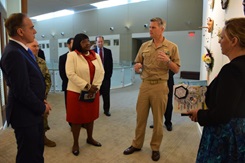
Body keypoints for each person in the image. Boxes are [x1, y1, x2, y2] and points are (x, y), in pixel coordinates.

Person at [188, 17, 245, 162]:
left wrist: (199, 114)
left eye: (222, 37)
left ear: (234, 41)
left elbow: (223, 113)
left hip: (226, 136)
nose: (219, 41)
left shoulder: (232, 70)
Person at [123, 17, 180, 161]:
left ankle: (155, 147)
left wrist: (168, 62)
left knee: (158, 120)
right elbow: (137, 63)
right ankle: (136, 144)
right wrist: (137, 67)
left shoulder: (171, 47)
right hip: (145, 85)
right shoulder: (144, 46)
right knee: (140, 118)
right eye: (149, 27)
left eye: (153, 27)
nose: (150, 30)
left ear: (162, 29)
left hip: (160, 86)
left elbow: (177, 69)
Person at [0, 13, 51, 163]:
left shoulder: (22, 50)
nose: (34, 31)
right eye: (32, 28)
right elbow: (22, 90)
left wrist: (42, 100)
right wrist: (42, 108)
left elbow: (32, 82)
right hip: (24, 115)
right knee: (28, 156)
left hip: (31, 111)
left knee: (36, 152)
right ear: (20, 31)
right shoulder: (13, 53)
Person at [66, 33, 104, 156]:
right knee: (76, 118)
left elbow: (101, 72)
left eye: (88, 41)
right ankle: (75, 143)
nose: (87, 43)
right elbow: (70, 74)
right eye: (83, 42)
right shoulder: (72, 55)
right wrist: (87, 86)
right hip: (76, 92)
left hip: (93, 92)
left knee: (90, 116)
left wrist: (96, 87)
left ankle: (90, 138)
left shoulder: (95, 55)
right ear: (78, 44)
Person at [27, 39, 56, 147]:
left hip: (41, 97)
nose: (37, 48)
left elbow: (48, 79)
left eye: (38, 46)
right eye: (34, 46)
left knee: (43, 117)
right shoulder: (23, 62)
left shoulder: (41, 62)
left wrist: (43, 94)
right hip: (28, 98)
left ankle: (43, 137)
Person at [92, 36, 113, 116]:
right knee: (95, 94)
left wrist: (109, 76)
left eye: (101, 41)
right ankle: (94, 110)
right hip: (96, 78)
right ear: (96, 42)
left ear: (103, 42)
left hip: (106, 78)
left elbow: (110, 64)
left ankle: (106, 110)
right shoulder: (92, 52)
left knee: (106, 94)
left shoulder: (108, 51)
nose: (100, 43)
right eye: (98, 41)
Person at [59, 38, 74, 110]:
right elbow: (62, 73)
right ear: (68, 45)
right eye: (73, 43)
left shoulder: (81, 56)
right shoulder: (63, 58)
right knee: (69, 107)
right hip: (68, 86)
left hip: (80, 86)